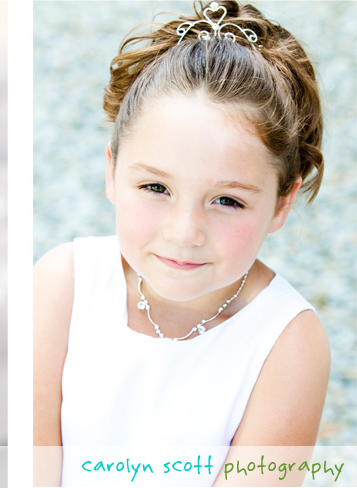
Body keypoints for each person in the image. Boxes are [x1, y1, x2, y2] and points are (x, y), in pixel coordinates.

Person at [33, 1, 331, 486]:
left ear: (281, 202)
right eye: (156, 188)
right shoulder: (62, 285)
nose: (184, 232)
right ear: (112, 171)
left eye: (228, 201)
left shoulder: (288, 343)